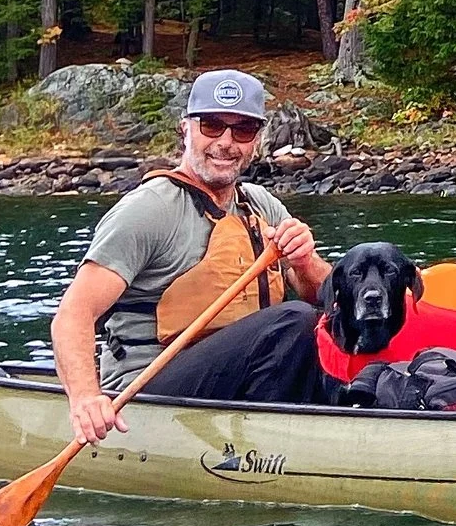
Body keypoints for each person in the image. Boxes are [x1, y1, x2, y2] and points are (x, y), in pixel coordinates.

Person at [51, 70, 334, 444]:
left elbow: (324, 296)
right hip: (148, 388)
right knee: (293, 321)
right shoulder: (148, 210)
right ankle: (264, 448)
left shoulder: (261, 204)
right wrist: (86, 398)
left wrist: (304, 260)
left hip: (236, 378)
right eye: (212, 126)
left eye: (243, 130)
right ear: (186, 129)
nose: (226, 143)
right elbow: (73, 313)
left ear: (257, 141)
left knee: (327, 325)